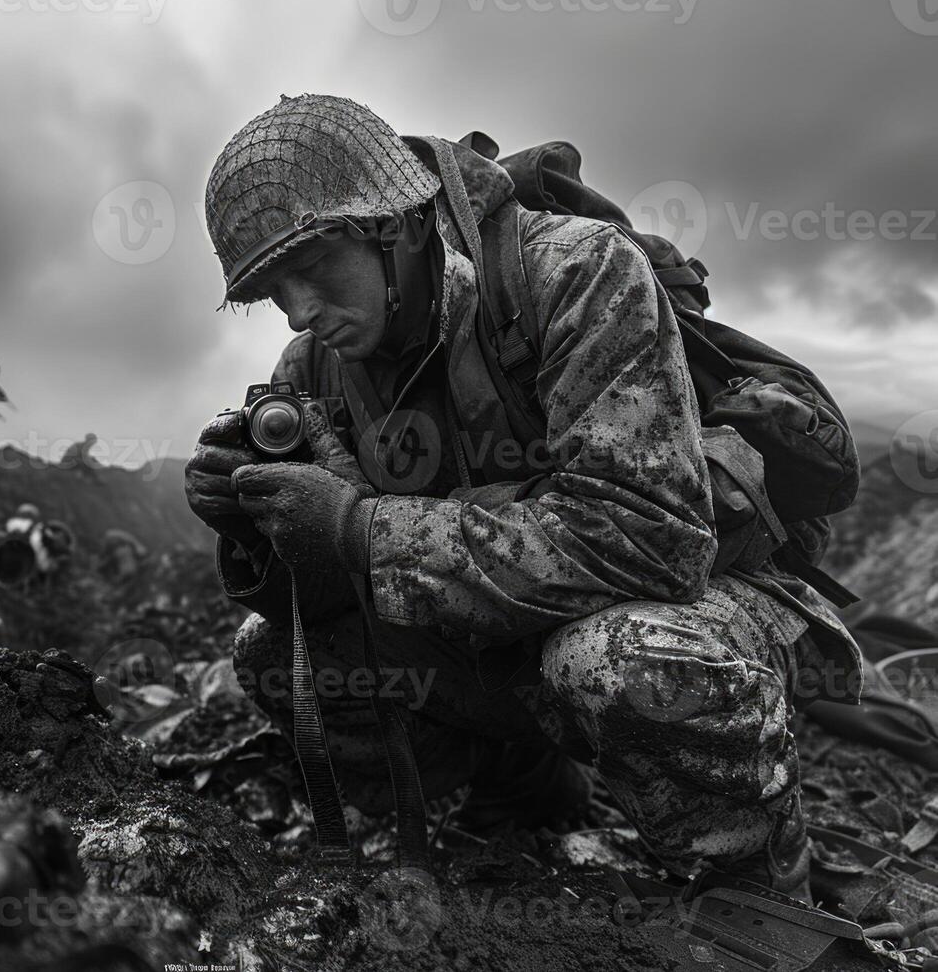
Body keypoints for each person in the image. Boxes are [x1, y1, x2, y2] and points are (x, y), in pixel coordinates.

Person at [185, 94, 861, 899]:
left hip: (710, 600)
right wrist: (256, 529)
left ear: (393, 225)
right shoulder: (315, 370)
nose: (298, 311)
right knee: (274, 656)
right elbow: (336, 592)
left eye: (314, 268)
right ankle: (523, 781)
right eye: (273, 290)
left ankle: (752, 873)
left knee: (616, 660)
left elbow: (651, 540)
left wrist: (361, 529)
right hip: (510, 637)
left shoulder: (574, 272)